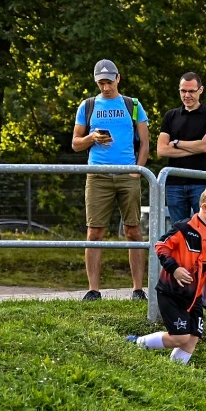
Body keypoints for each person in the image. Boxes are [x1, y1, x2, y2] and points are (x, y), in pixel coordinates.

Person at [125, 182, 206, 364]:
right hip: (172, 292)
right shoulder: (184, 228)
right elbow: (161, 246)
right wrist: (174, 269)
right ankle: (137, 343)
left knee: (193, 337)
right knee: (180, 337)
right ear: (205, 207)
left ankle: (174, 370)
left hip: (195, 295)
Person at [70, 59, 150, 301]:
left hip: (127, 173)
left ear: (118, 78)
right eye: (100, 82)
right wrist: (92, 137)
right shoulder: (88, 105)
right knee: (95, 232)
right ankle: (93, 290)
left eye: (109, 81)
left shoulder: (132, 104)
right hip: (97, 174)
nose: (105, 87)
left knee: (133, 230)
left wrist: (138, 169)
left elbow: (145, 142)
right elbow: (75, 143)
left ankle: (138, 289)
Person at [155, 72, 206, 227]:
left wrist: (177, 142)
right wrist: (196, 147)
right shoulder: (170, 116)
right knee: (179, 232)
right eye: (183, 91)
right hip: (174, 184)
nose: (187, 95)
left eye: (191, 91)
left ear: (200, 90)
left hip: (201, 183)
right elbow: (161, 150)